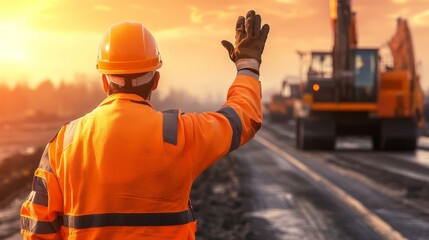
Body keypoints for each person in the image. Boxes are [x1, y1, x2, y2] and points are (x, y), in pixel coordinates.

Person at [20, 10, 269, 239]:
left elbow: (37, 227)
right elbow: (242, 117)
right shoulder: (180, 134)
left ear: (105, 83)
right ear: (156, 80)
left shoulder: (65, 143)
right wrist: (247, 66)